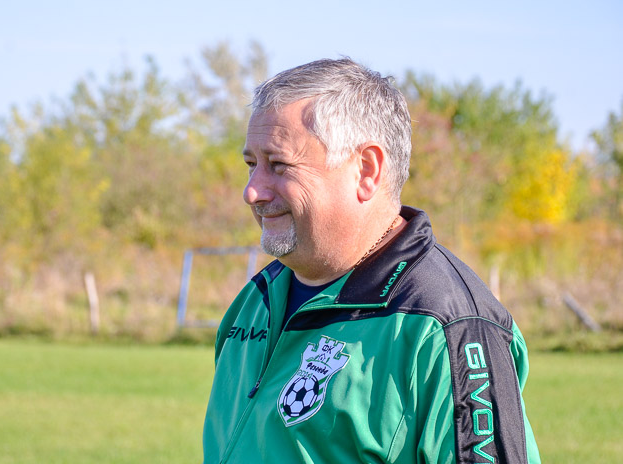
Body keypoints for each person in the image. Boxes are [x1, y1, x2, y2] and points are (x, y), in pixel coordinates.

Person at [202, 58, 540, 463]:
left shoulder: (444, 325)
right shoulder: (256, 299)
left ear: (366, 170)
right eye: (251, 165)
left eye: (278, 165)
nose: (252, 191)